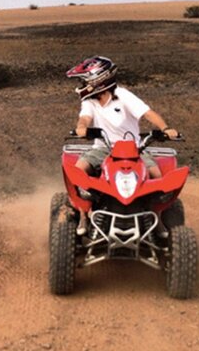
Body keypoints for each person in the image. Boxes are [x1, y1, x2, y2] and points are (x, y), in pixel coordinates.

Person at [67, 56, 179, 234]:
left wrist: (166, 128)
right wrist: (81, 128)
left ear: (99, 80)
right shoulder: (89, 101)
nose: (82, 85)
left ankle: (156, 216)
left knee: (158, 177)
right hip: (103, 148)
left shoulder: (123, 95)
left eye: (85, 81)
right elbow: (85, 117)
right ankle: (83, 215)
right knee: (78, 171)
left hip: (134, 149)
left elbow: (147, 113)